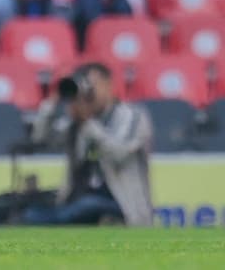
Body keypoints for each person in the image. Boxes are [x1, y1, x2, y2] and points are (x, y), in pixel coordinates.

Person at [26, 63, 153, 226]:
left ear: (108, 85)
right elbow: (41, 139)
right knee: (33, 211)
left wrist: (88, 123)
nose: (89, 93)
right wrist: (53, 101)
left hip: (124, 204)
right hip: (79, 200)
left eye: (94, 86)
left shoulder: (132, 116)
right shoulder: (76, 122)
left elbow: (119, 153)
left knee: (87, 205)